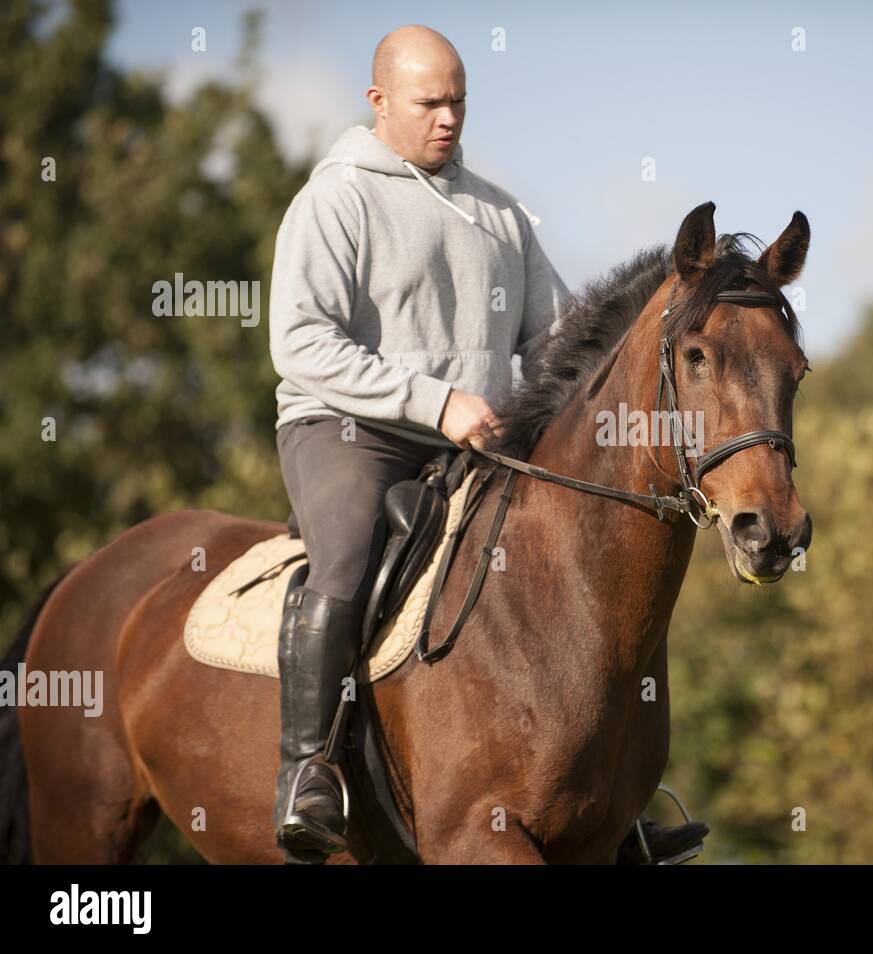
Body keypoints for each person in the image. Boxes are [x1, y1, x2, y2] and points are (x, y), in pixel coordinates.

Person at [268, 25, 706, 863]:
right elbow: (300, 342)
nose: (447, 118)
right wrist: (434, 403)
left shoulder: (501, 214)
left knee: (580, 567)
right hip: (346, 431)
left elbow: (566, 344)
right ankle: (310, 771)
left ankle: (613, 802)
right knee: (349, 557)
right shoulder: (335, 200)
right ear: (379, 101)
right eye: (429, 102)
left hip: (473, 442)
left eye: (458, 101)